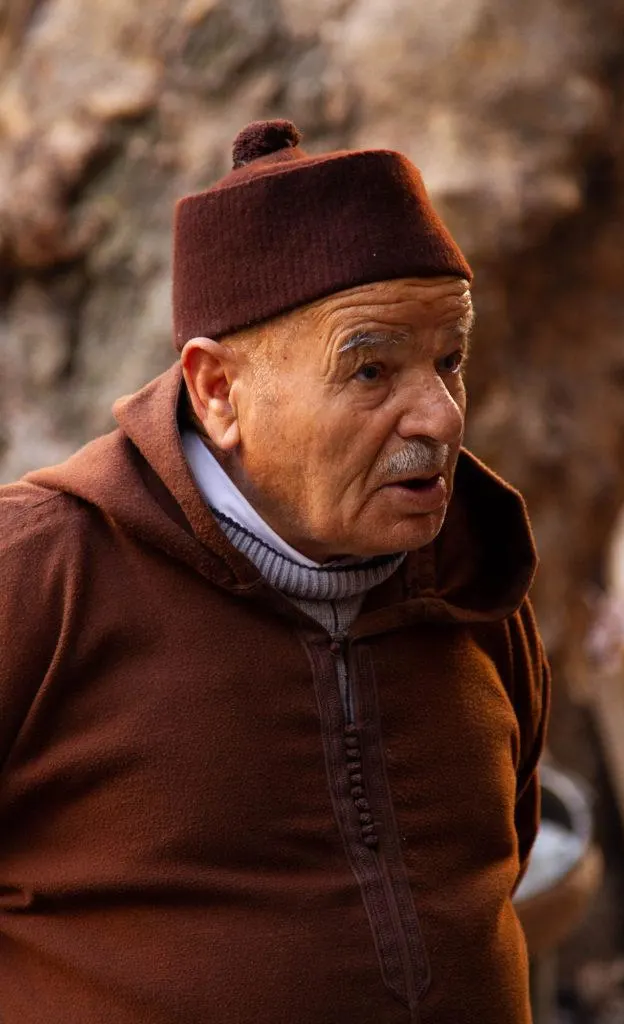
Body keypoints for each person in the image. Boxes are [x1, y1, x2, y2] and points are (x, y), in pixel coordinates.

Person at [0, 119, 550, 1024]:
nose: (439, 418)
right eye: (371, 370)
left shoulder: (471, 578)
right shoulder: (43, 578)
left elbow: (502, 865)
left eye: (450, 361)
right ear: (218, 391)